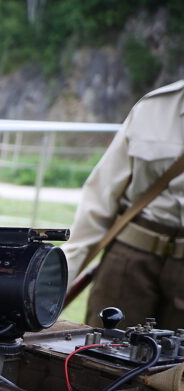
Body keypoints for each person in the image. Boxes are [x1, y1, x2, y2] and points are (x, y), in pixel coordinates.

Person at [61, 80, 184, 331]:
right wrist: (59, 278)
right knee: (101, 361)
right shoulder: (155, 107)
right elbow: (101, 196)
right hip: (129, 263)